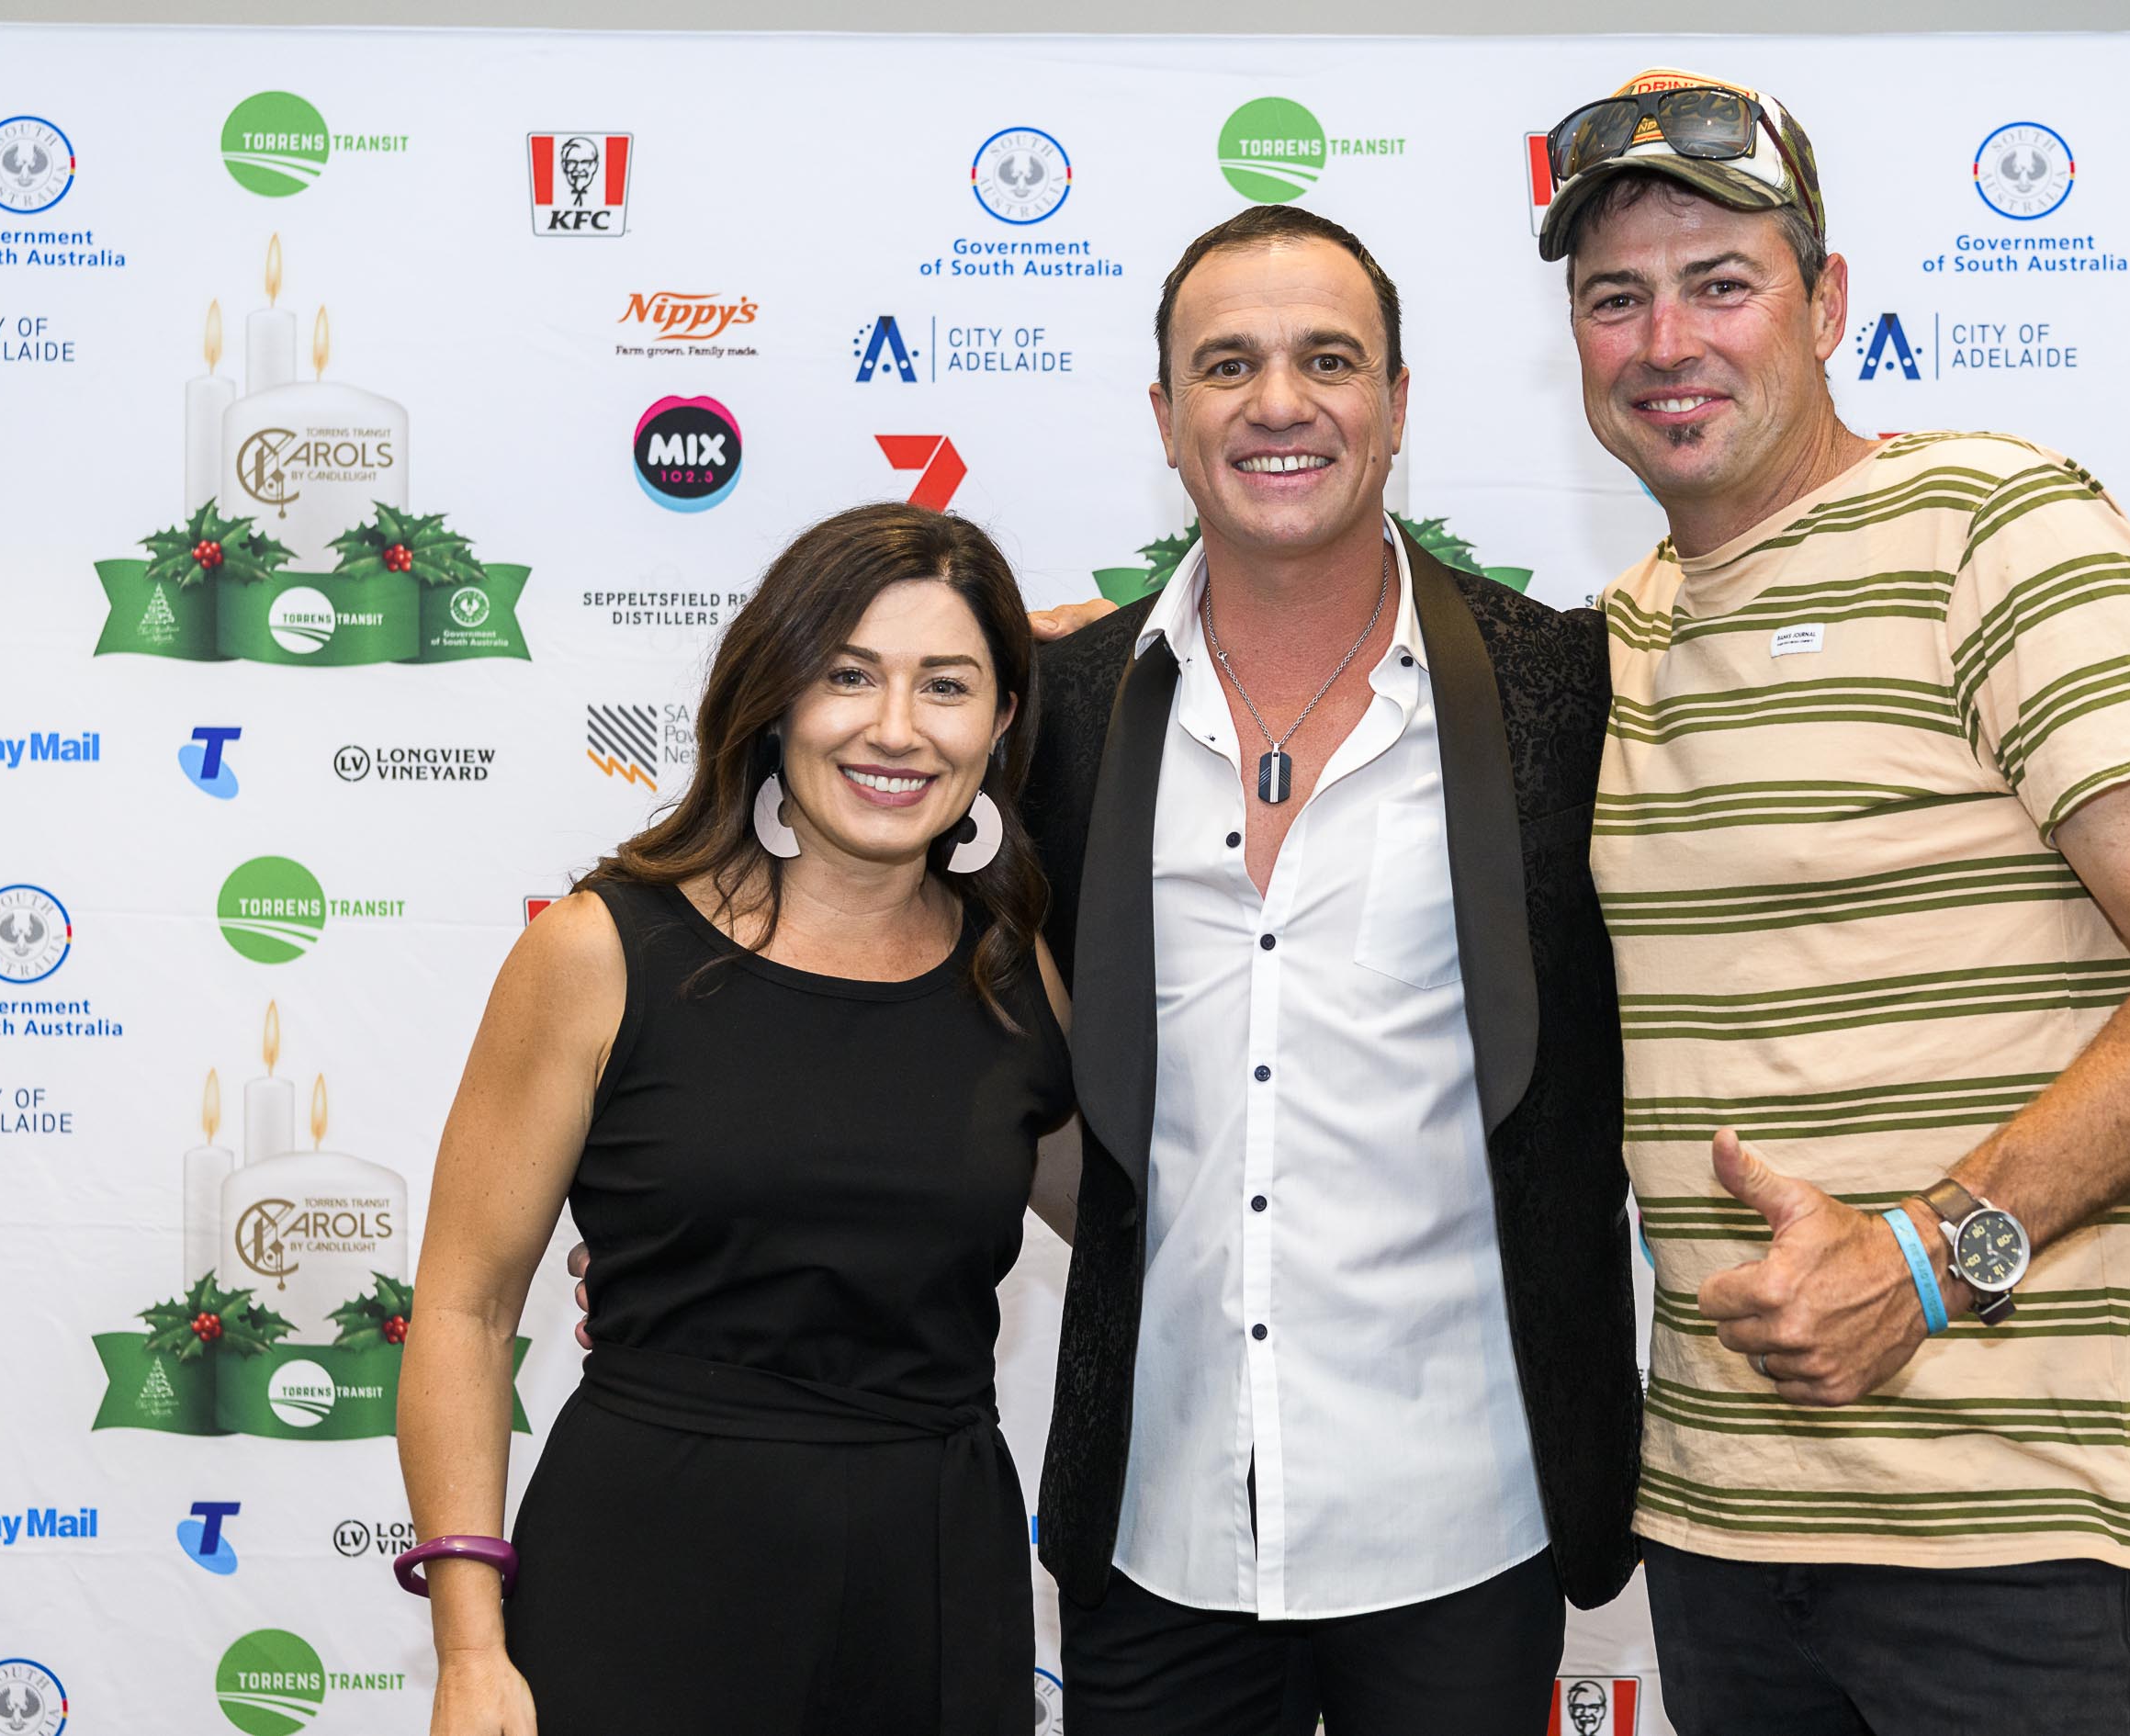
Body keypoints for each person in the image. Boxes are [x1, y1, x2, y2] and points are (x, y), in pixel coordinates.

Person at [1538, 68, 2130, 1735]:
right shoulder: (1621, 633)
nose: (1666, 340)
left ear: (1827, 305)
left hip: (2015, 1545)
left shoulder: (1997, 527)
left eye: (1721, 282)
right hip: (1721, 1536)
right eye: (1615, 298)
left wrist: (1930, 1256)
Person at [1025, 204, 1640, 1734]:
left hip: (1463, 1522)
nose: (1279, 403)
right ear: (1164, 417)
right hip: (1154, 1518)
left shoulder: (1568, 688)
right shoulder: (1063, 705)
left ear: (1399, 403)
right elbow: (872, 945)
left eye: (1329, 359)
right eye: (1227, 365)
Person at [396, 502, 1078, 1736]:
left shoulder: (1014, 969)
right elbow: (463, 1310)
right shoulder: (603, 950)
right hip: (644, 1580)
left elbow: (1141, 1223)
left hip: (933, 1596)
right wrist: (469, 1647)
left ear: (1001, 722)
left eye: (947, 685)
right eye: (848, 675)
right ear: (773, 699)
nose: (896, 727)